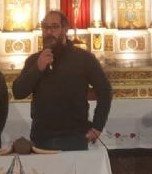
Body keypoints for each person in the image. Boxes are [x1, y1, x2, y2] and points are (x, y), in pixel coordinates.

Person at [13, 11, 112, 151]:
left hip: (74, 137)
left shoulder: (84, 59)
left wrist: (97, 126)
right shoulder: (34, 60)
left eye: (54, 27)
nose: (48, 31)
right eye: (45, 27)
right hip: (42, 137)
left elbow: (105, 91)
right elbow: (18, 92)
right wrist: (37, 68)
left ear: (65, 30)